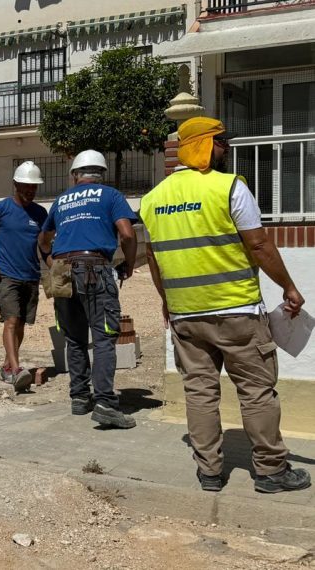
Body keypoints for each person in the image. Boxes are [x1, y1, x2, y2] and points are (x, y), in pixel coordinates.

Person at [141, 117, 310, 493]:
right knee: (256, 391)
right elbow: (260, 244)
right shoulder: (229, 187)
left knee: (199, 392)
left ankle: (210, 473)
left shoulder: (153, 200)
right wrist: (289, 288)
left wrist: (167, 303)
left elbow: (153, 259)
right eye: (220, 142)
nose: (226, 149)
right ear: (202, 144)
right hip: (237, 313)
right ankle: (270, 471)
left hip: (186, 316)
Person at [38, 150, 138, 429]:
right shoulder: (111, 196)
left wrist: (53, 263)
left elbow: (44, 239)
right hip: (95, 268)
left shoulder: (61, 201)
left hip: (64, 270)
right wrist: (128, 265)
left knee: (75, 338)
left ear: (75, 175)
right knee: (105, 337)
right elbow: (128, 234)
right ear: (101, 174)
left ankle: (80, 399)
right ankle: (105, 403)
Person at [0, 161, 49, 391]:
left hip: (31, 275)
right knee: (11, 321)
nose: (30, 191)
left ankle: (6, 366)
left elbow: (44, 246)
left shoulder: (40, 213)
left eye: (34, 187)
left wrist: (55, 267)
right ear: (15, 184)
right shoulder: (0, 209)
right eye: (26, 186)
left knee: (21, 323)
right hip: (7, 275)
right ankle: (15, 369)